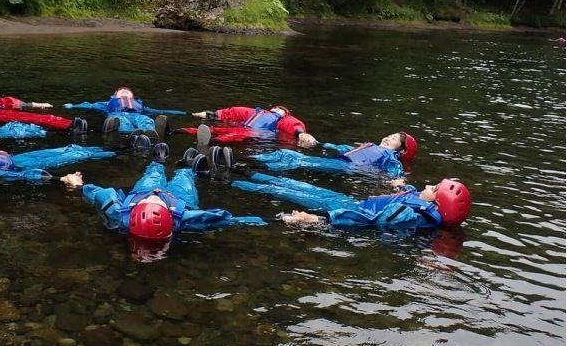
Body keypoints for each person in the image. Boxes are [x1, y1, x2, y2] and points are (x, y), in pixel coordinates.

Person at [61, 155, 267, 247]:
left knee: (152, 176)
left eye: (151, 200)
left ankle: (158, 161)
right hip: (180, 200)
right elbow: (228, 220)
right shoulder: (186, 219)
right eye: (155, 200)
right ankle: (187, 168)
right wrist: (280, 218)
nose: (156, 195)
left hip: (140, 193)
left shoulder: (118, 213)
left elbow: (98, 193)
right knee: (184, 180)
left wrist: (77, 185)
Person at [232, 173, 471, 229]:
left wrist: (320, 219)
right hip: (350, 202)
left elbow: (369, 219)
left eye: (434, 188)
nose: (428, 186)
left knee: (291, 193)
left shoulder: (414, 217)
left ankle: (230, 180)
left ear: (438, 203)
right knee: (297, 186)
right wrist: (403, 186)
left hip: (346, 210)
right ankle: (243, 171)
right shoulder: (422, 207)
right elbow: (410, 196)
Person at [249, 131, 417, 178]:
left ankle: (247, 165)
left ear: (401, 151)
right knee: (285, 153)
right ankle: (249, 161)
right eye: (390, 135)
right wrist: (319, 143)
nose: (388, 137)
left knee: (294, 159)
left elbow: (395, 173)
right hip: (342, 161)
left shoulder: (390, 157)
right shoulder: (370, 146)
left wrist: (398, 182)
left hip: (347, 167)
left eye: (394, 139)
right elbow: (344, 148)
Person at [64, 86, 184, 137]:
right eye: (122, 91)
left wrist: (185, 113)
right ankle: (129, 134)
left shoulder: (140, 106)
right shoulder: (106, 104)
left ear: (132, 96)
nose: (125, 91)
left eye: (127, 91)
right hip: (117, 115)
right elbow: (89, 105)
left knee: (146, 120)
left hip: (137, 115)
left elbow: (161, 111)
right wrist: (72, 105)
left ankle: (150, 133)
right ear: (115, 95)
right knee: (122, 121)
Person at [180, 105, 316, 146]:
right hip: (247, 130)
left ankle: (209, 142)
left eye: (281, 110)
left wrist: (300, 133)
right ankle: (180, 131)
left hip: (255, 133)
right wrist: (211, 114)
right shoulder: (257, 113)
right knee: (215, 130)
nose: (278, 111)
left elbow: (293, 124)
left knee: (230, 135)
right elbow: (235, 112)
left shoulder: (283, 120)